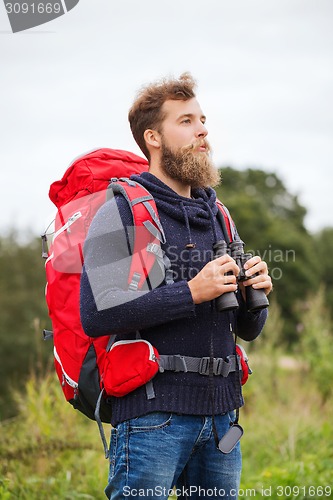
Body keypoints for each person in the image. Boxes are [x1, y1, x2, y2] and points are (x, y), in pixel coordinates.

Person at [80, 73, 272, 499]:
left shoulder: (218, 215)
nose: (202, 129)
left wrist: (253, 297)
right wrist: (191, 292)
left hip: (223, 416)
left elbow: (249, 329)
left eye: (202, 119)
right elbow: (97, 314)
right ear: (153, 137)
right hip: (153, 418)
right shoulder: (122, 210)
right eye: (186, 121)